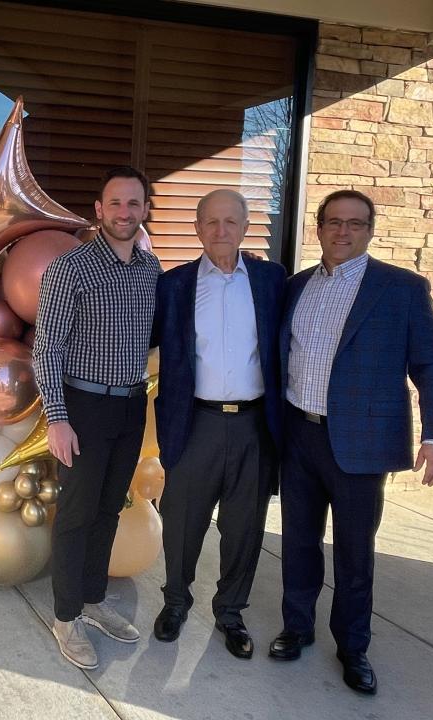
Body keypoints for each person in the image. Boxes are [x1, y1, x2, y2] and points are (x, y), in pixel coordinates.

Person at [269, 189, 433, 694]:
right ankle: (297, 628)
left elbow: (428, 365)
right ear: (318, 228)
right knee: (298, 541)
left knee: (355, 551)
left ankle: (353, 647)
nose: (343, 231)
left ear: (370, 230)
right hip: (299, 433)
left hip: (361, 443)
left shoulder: (401, 289)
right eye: (334, 222)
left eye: (355, 224)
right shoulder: (296, 287)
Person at [32, 166, 161, 669]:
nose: (125, 212)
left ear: (144, 210)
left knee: (110, 508)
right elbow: (46, 350)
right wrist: (58, 418)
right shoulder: (72, 269)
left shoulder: (151, 271)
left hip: (131, 405)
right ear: (99, 210)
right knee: (78, 513)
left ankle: (91, 599)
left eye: (134, 203)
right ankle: (65, 617)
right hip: (83, 408)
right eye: (116, 203)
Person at [149, 189, 284, 659]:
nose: (221, 231)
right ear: (198, 229)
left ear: (246, 227)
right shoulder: (175, 285)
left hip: (254, 426)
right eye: (211, 222)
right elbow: (141, 339)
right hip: (195, 421)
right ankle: (175, 603)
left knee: (244, 527)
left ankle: (231, 613)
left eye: (231, 221)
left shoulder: (272, 280)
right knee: (182, 521)